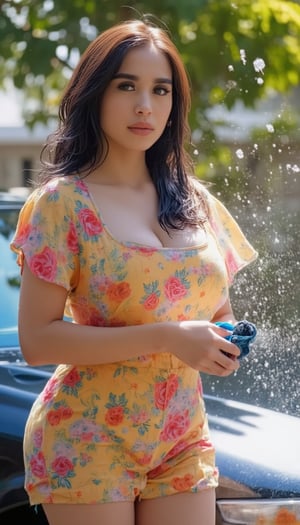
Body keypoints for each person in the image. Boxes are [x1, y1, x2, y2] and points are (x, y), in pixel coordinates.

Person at [11, 18, 258, 525]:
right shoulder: (61, 204)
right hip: (86, 436)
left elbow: (214, 313)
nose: (145, 105)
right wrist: (169, 336)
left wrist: (222, 343)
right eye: (127, 86)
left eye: (160, 89)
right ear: (95, 95)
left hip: (183, 436)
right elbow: (37, 340)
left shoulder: (198, 202)